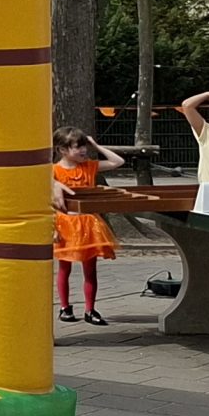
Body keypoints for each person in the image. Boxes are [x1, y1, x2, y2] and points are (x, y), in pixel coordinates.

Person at [52, 126, 124, 325]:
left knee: (90, 269)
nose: (83, 151)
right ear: (62, 150)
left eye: (84, 146)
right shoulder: (53, 172)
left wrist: (96, 145)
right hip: (65, 222)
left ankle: (90, 309)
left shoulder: (90, 166)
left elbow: (118, 162)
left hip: (88, 222)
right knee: (64, 267)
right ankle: (64, 307)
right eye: (78, 147)